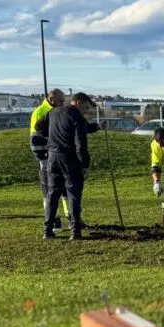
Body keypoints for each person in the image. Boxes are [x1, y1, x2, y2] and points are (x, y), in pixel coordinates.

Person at [34, 92, 101, 240]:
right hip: (69, 158)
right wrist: (85, 164)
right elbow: (80, 144)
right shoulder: (76, 116)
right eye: (86, 107)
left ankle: (48, 230)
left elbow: (38, 126)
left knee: (52, 193)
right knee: (73, 193)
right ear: (78, 102)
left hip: (52, 157)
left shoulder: (53, 112)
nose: (87, 111)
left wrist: (50, 136)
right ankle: (75, 230)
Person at [29, 88, 70, 230]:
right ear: (51, 99)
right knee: (49, 190)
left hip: (57, 156)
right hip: (47, 158)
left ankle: (70, 217)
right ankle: (53, 221)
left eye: (63, 101)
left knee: (64, 188)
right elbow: (35, 138)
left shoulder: (58, 111)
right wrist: (44, 159)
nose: (62, 104)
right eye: (60, 101)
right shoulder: (40, 112)